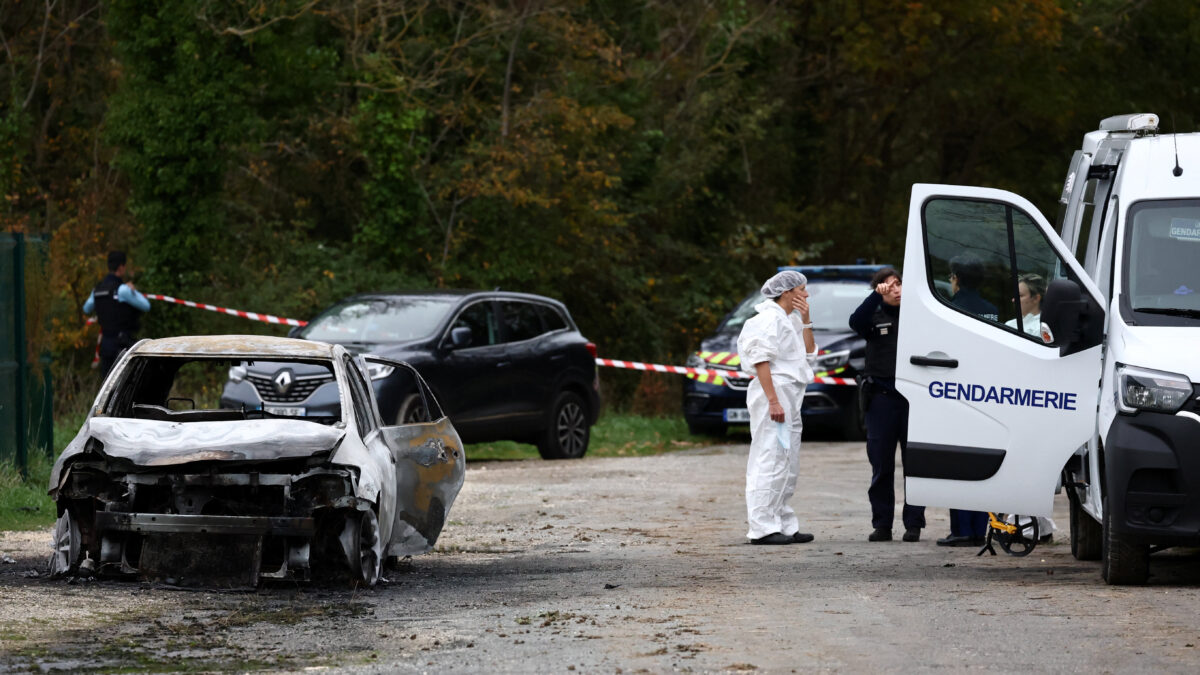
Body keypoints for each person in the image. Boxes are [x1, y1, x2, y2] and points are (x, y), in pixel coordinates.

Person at [737, 270, 818, 545]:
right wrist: (772, 400)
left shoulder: (788, 319)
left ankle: (783, 523)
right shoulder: (766, 320)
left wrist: (806, 321)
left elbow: (808, 352)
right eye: (802, 290)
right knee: (770, 456)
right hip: (775, 390)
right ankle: (761, 527)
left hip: (791, 391)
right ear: (787, 293)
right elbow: (761, 360)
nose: (806, 295)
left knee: (788, 459)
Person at [849, 268, 925, 543]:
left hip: (912, 399)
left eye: (899, 284)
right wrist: (874, 296)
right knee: (881, 464)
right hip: (881, 398)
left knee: (915, 463)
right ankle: (882, 524)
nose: (896, 289)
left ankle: (914, 523)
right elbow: (855, 322)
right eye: (888, 286)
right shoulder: (873, 315)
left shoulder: (917, 314)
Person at [939, 253, 996, 546]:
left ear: (957, 279)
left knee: (956, 464)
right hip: (986, 396)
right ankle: (980, 528)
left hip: (955, 394)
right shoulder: (992, 310)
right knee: (981, 462)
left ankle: (961, 529)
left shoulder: (949, 309)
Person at [83, 250, 150, 377]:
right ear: (121, 267)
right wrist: (134, 291)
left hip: (106, 345)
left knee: (107, 386)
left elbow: (86, 309)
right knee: (126, 386)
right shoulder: (123, 290)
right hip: (122, 345)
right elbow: (146, 306)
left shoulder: (97, 290)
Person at [1004, 273, 1046, 337]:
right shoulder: (1010, 324)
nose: (1013, 300)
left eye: (1020, 295)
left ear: (1036, 298)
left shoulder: (1041, 330)